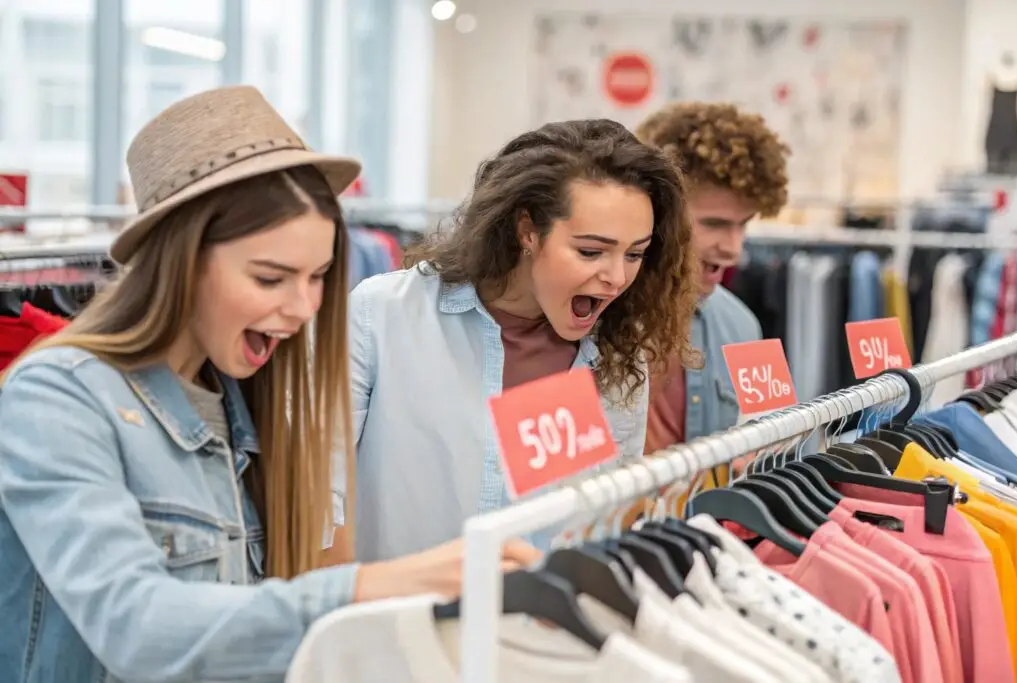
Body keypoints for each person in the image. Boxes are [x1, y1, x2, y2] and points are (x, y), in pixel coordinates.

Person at [0, 86, 539, 683]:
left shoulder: (247, 403)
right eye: (270, 278)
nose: (304, 307)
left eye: (317, 278)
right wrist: (375, 584)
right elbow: (138, 625)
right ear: (180, 261)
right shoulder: (56, 398)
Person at [339, 118, 702, 561]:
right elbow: (322, 498)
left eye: (635, 254)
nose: (616, 277)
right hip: (396, 619)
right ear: (527, 230)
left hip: (537, 621)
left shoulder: (618, 359)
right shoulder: (385, 314)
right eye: (591, 251)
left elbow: (608, 516)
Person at [635, 102, 791, 469]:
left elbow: (778, 444)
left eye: (744, 224)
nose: (734, 249)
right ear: (658, 212)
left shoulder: (742, 326)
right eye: (715, 224)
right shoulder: (591, 321)